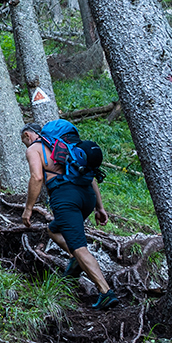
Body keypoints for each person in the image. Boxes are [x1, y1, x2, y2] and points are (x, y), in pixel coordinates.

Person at [21, 121, 119, 309]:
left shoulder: (35, 148)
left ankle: (105, 292)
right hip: (87, 197)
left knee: (78, 246)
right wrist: (100, 207)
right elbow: (90, 176)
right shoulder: (68, 147)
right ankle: (76, 261)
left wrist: (28, 208)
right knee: (53, 230)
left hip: (65, 198)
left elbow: (37, 178)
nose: (25, 144)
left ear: (27, 135)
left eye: (24, 141)